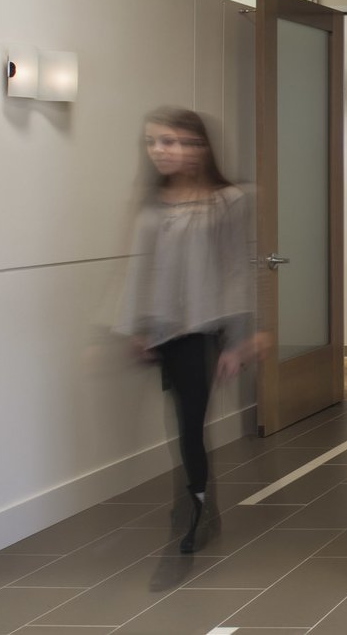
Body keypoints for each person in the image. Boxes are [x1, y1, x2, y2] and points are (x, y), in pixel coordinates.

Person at [117, 107, 257, 554]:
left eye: (170, 141)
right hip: (163, 331)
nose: (159, 150)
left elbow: (237, 272)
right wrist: (137, 328)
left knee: (190, 423)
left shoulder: (227, 201)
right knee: (180, 423)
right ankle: (198, 500)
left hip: (203, 330)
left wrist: (238, 339)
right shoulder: (153, 203)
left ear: (197, 147)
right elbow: (141, 269)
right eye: (153, 142)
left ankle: (195, 506)